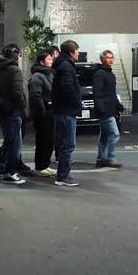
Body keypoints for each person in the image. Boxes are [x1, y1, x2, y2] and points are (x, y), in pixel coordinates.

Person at [0, 43, 27, 184]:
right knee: (15, 143)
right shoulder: (14, 71)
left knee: (9, 140)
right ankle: (8, 172)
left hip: (2, 112)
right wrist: (22, 105)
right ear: (16, 56)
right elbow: (17, 92)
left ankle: (3, 165)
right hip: (13, 112)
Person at [50, 40, 82, 187]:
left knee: (65, 143)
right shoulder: (66, 66)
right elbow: (68, 86)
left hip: (62, 109)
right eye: (77, 50)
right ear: (71, 52)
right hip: (66, 110)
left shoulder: (61, 65)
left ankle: (63, 174)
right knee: (68, 144)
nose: (79, 53)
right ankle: (63, 176)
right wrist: (77, 102)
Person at [28, 46, 59, 177]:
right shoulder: (37, 76)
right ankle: (40, 166)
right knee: (43, 140)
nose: (51, 60)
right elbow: (36, 96)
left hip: (49, 112)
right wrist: (42, 111)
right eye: (49, 59)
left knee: (49, 140)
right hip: (43, 113)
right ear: (42, 62)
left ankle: (45, 164)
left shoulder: (48, 74)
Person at [92, 50, 124, 168]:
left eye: (112, 57)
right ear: (102, 60)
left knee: (105, 135)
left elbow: (111, 93)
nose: (110, 60)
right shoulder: (100, 74)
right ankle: (110, 158)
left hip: (110, 109)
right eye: (107, 58)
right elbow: (97, 92)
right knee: (114, 134)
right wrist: (101, 108)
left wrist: (118, 106)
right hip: (105, 110)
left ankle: (101, 158)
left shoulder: (110, 74)